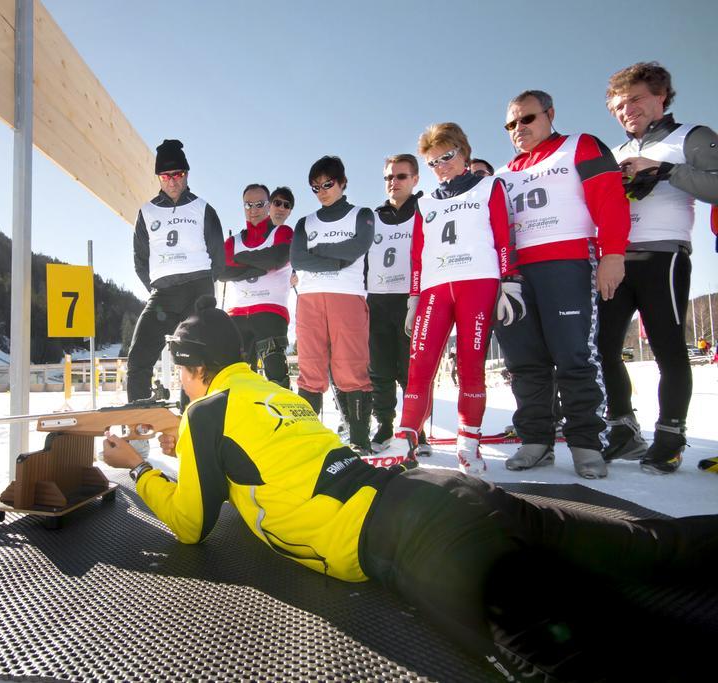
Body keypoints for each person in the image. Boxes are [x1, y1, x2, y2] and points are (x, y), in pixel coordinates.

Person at [102, 296, 717, 683]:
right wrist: (181, 444)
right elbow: (271, 459)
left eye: (178, 375)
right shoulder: (279, 393)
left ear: (192, 369)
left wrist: (136, 467)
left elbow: (191, 524)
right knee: (651, 544)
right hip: (446, 492)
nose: (180, 388)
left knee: (554, 664)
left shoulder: (209, 411)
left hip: (419, 543)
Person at [496, 90, 630, 479]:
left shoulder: (579, 146)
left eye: (527, 119)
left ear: (550, 114)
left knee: (574, 355)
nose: (519, 129)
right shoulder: (504, 173)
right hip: (518, 275)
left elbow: (610, 199)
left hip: (567, 264)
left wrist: (613, 253)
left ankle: (586, 443)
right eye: (511, 124)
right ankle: (536, 440)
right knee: (524, 361)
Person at [599, 62, 718, 475]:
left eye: (635, 99)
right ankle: (623, 429)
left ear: (661, 95)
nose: (626, 110)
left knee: (668, 346)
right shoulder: (614, 153)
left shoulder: (691, 136)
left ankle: (670, 436)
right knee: (603, 348)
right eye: (618, 105)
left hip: (663, 255)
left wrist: (664, 170)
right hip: (614, 258)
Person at [380, 123, 515, 475]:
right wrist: (413, 298)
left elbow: (504, 237)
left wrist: (509, 282)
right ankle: (406, 437)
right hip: (435, 289)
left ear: (463, 152)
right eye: (433, 162)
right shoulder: (425, 203)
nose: (441, 166)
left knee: (471, 368)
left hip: (477, 284)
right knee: (419, 367)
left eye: (447, 157)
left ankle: (469, 443)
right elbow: (417, 254)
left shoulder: (490, 185)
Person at [129, 139, 225, 418]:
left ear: (186, 174)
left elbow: (217, 255)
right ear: (159, 177)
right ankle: (141, 419)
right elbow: (140, 258)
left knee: (197, 359)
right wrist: (158, 285)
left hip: (198, 290)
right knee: (139, 356)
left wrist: (205, 285)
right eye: (166, 175)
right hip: (164, 294)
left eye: (178, 174)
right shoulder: (147, 212)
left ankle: (195, 418)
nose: (172, 181)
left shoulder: (202, 208)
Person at [290, 156, 375, 452]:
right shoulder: (305, 222)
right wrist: (334, 258)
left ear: (342, 183)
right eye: (315, 187)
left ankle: (360, 439)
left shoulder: (361, 214)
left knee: (351, 368)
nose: (322, 191)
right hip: (310, 300)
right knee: (310, 369)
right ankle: (307, 442)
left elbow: (355, 249)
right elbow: (298, 258)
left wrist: (320, 252)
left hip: (347, 297)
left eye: (327, 184)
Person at [366, 154, 430, 456]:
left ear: (415, 179)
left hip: (411, 300)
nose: (394, 182)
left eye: (401, 176)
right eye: (389, 177)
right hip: (377, 300)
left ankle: (416, 428)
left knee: (411, 370)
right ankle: (385, 425)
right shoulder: (372, 217)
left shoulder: (426, 210)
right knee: (379, 369)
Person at [218, 183, 294, 388]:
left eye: (259, 204)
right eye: (248, 205)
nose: (253, 210)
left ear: (269, 206)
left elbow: (276, 259)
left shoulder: (282, 232)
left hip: (270, 309)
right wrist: (258, 265)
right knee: (235, 378)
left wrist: (240, 259)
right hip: (237, 314)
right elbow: (221, 271)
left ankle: (282, 417)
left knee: (276, 374)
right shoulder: (233, 241)